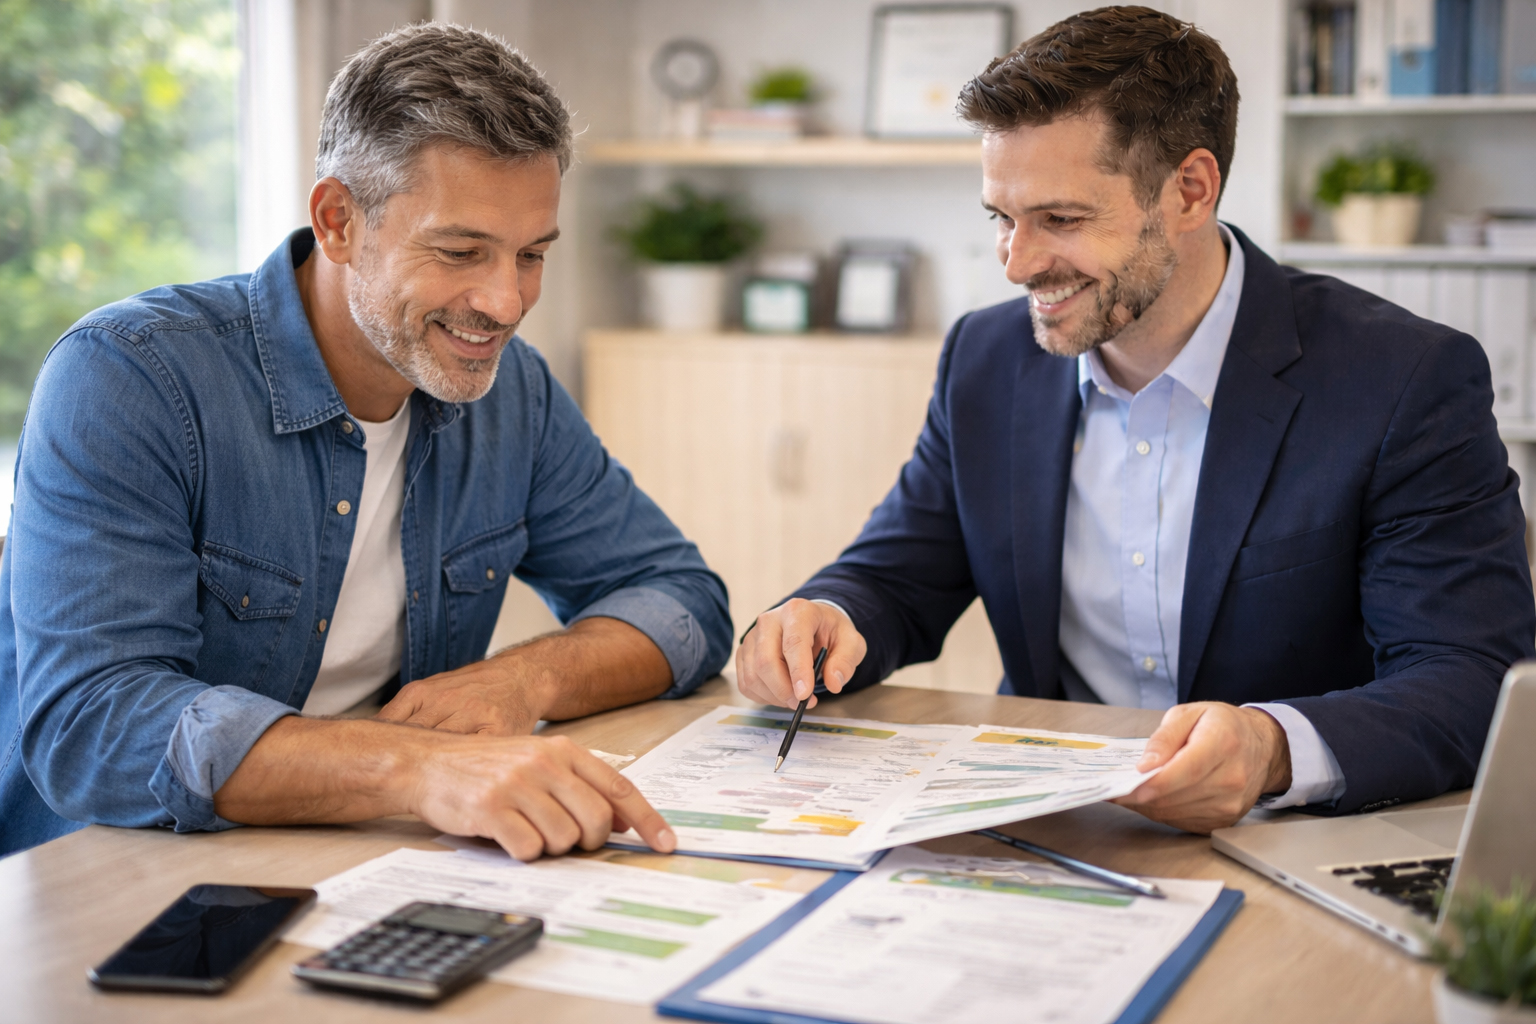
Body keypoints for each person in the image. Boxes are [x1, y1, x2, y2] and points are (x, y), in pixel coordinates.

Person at [736, 6, 1536, 833]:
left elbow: (1472, 678)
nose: (1016, 264)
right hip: (1053, 828)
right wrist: (823, 617)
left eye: (1062, 219)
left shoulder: (1403, 378)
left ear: (1190, 190)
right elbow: (896, 577)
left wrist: (1272, 749)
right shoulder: (986, 358)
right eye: (1001, 219)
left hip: (1289, 833)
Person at [0, 24, 732, 859]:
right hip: (116, 873)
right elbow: (92, 724)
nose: (505, 303)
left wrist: (523, 678)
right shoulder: (131, 377)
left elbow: (682, 599)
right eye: (460, 251)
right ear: (338, 220)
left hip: (364, 853)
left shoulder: (512, 392)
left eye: (530, 255)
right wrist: (416, 768)